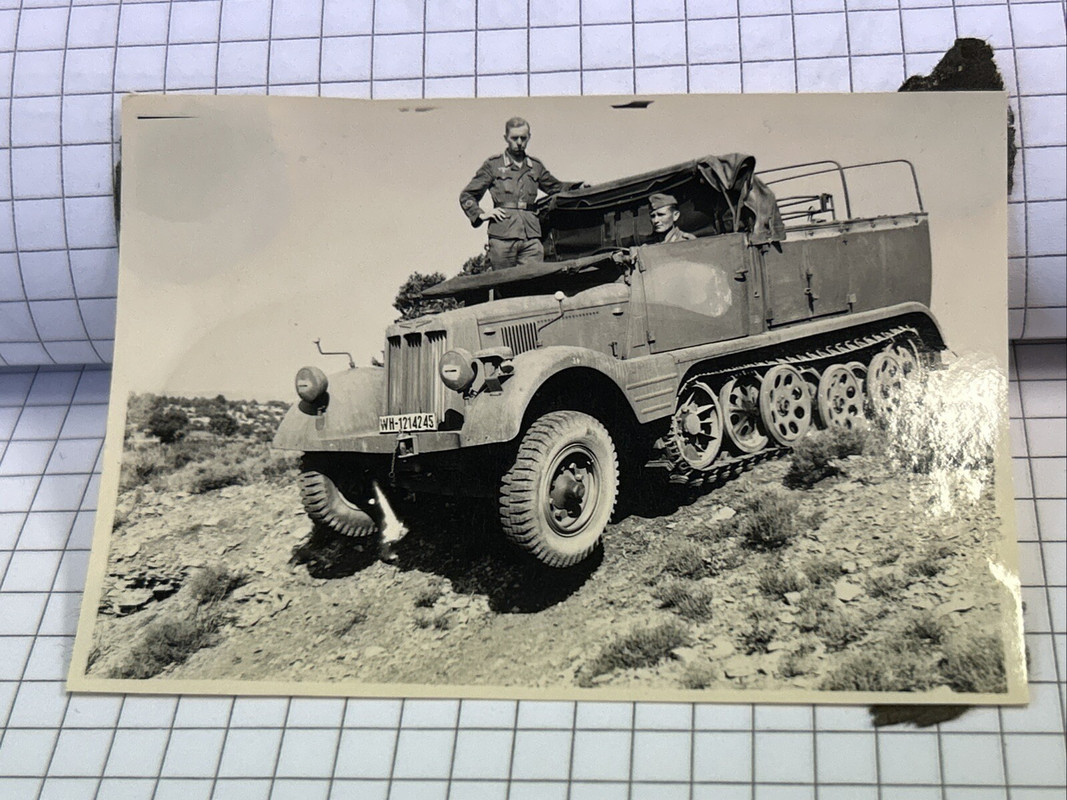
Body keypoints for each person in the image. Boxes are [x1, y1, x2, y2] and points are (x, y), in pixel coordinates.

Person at [459, 117, 579, 269]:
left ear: (529, 137)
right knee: (504, 285)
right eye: (514, 138)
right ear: (506, 138)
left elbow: (556, 187)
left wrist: (579, 187)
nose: (519, 142)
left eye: (523, 137)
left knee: (533, 282)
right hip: (503, 236)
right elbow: (467, 195)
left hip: (531, 236)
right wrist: (480, 214)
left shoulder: (535, 166)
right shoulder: (493, 165)